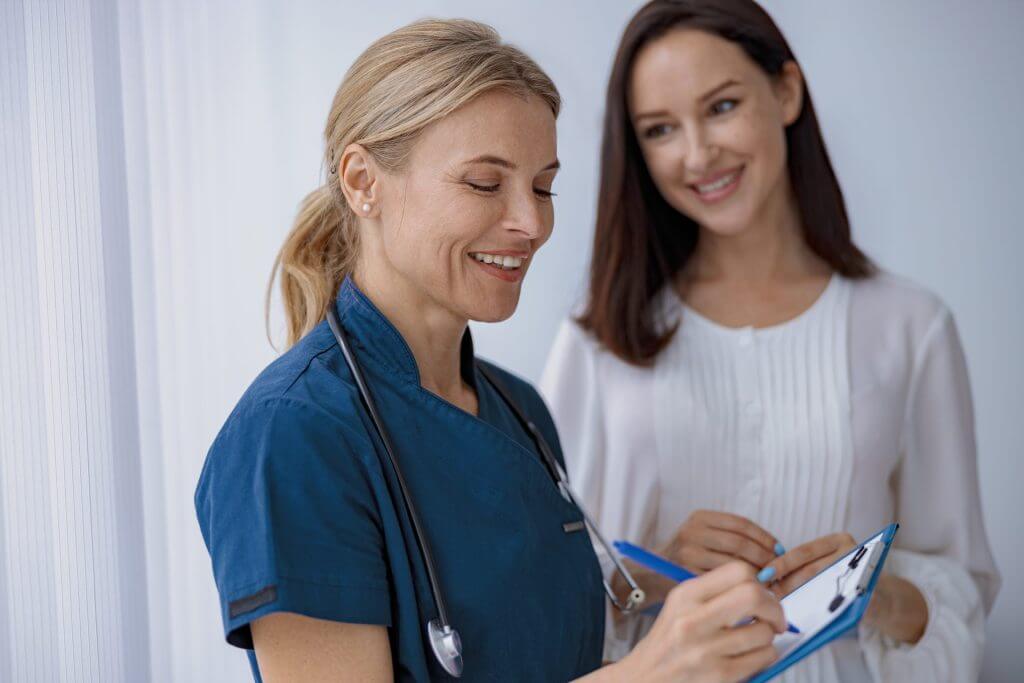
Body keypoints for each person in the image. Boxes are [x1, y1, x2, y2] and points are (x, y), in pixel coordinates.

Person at [195, 18, 787, 683]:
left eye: (542, 186)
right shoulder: (293, 435)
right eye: (484, 183)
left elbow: (516, 623)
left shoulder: (519, 407)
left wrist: (651, 573)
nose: (531, 224)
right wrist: (652, 673)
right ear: (363, 181)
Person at [539, 1, 1000, 681]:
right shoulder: (599, 335)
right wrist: (650, 571)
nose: (697, 154)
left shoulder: (910, 325)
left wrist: (867, 591)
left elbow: (963, 590)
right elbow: (541, 590)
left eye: (722, 106)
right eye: (661, 129)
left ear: (785, 91)